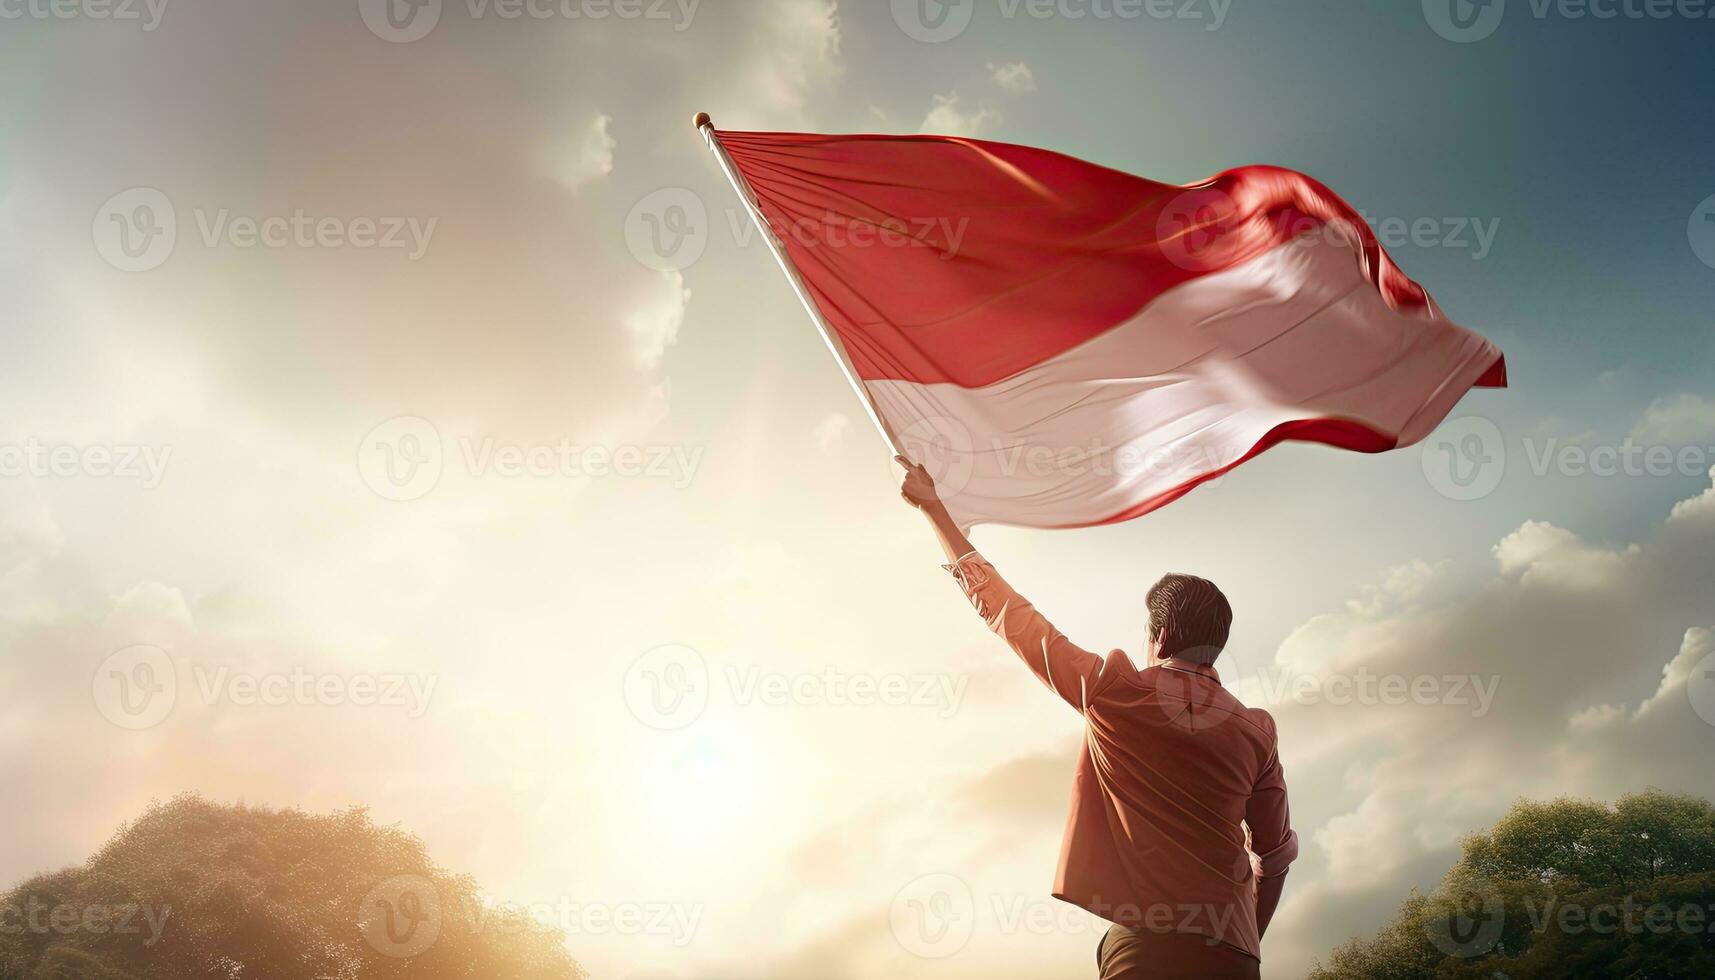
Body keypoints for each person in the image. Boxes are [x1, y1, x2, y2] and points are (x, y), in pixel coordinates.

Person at [899, 457, 1297, 979]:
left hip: (1145, 950)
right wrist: (1242, 941)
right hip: (1233, 952)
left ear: (1155, 637)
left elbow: (1008, 614)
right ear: (1215, 647)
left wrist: (933, 509)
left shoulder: (1113, 691)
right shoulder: (1256, 732)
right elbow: (1275, 855)